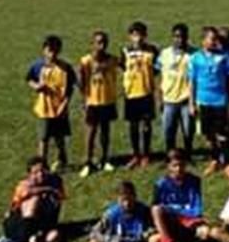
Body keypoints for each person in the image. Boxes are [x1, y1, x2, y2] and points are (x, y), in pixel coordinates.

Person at [0, 156, 66, 242]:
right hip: (16, 224)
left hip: (40, 224)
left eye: (43, 170)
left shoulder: (55, 181)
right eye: (35, 172)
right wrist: (48, 189)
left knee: (54, 237)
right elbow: (26, 192)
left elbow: (59, 197)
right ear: (30, 175)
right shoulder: (24, 184)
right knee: (34, 201)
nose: (40, 174)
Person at [188, 27, 229, 174]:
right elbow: (192, 81)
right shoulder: (195, 58)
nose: (215, 42)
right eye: (212, 39)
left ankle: (228, 163)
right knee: (208, 134)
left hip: (220, 100)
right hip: (203, 101)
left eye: (216, 39)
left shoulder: (225, 57)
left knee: (223, 134)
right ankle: (215, 160)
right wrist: (191, 102)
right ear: (203, 41)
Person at [150, 150, 211, 242]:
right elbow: (156, 209)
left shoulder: (194, 181)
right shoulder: (160, 184)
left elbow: (196, 209)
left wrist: (172, 209)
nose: (178, 169)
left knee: (205, 231)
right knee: (153, 238)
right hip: (170, 223)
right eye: (174, 166)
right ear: (168, 166)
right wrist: (174, 211)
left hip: (188, 222)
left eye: (181, 165)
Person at [25, 35, 75, 171]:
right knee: (44, 138)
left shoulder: (66, 68)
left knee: (60, 137)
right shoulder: (38, 66)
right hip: (44, 109)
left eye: (55, 51)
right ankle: (42, 165)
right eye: (49, 50)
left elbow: (70, 89)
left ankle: (62, 159)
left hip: (59, 108)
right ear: (44, 50)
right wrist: (36, 86)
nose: (52, 54)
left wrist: (65, 105)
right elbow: (29, 78)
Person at [78, 30, 121, 177]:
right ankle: (87, 162)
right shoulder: (86, 61)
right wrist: (84, 100)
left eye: (104, 42)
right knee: (90, 132)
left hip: (108, 100)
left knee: (106, 131)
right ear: (92, 44)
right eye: (98, 42)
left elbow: (126, 66)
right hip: (92, 101)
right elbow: (82, 82)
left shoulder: (113, 59)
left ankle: (105, 159)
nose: (101, 45)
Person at [121, 21, 160, 169]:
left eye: (141, 35)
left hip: (146, 92)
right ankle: (135, 154)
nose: (138, 38)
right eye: (135, 35)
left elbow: (156, 70)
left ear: (145, 35)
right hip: (131, 94)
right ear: (130, 36)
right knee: (133, 125)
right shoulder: (125, 50)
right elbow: (123, 68)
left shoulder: (152, 50)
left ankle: (146, 155)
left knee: (146, 125)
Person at [86, 180, 153, 242]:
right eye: (123, 200)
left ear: (135, 197)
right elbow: (94, 232)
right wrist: (109, 239)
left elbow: (152, 228)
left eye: (129, 199)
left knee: (154, 240)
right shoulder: (111, 214)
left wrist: (145, 234)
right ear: (118, 200)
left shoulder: (144, 210)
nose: (127, 204)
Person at [158, 23, 194, 156]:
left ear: (187, 37)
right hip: (169, 99)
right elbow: (159, 76)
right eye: (177, 36)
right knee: (168, 130)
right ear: (172, 37)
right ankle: (169, 154)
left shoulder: (193, 54)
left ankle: (188, 154)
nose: (179, 40)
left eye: (182, 36)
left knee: (188, 130)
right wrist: (159, 97)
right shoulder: (164, 54)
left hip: (186, 98)